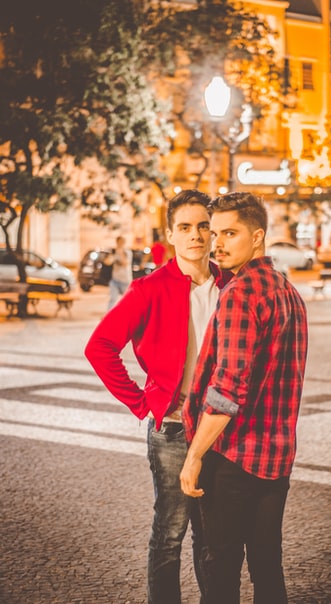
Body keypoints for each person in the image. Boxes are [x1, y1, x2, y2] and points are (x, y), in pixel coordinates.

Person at [84, 189, 231, 604]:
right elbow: (99, 347)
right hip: (171, 429)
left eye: (204, 225)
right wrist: (140, 402)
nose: (196, 236)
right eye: (185, 227)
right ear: (170, 234)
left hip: (219, 428)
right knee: (170, 532)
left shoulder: (230, 284)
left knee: (213, 535)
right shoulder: (150, 288)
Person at [180, 192, 308, 604]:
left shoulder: (240, 293)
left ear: (257, 237)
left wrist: (195, 453)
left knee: (221, 570)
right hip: (277, 456)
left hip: (234, 458)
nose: (217, 243)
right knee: (268, 565)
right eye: (214, 233)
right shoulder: (288, 291)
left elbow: (228, 389)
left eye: (229, 233)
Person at [106, 235, 133, 310]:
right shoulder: (115, 252)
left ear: (124, 243)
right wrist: (113, 255)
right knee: (113, 299)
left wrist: (121, 253)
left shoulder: (127, 252)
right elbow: (107, 262)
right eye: (118, 242)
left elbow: (125, 263)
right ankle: (109, 316)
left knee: (127, 300)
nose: (119, 244)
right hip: (115, 280)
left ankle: (131, 316)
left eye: (121, 242)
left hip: (125, 281)